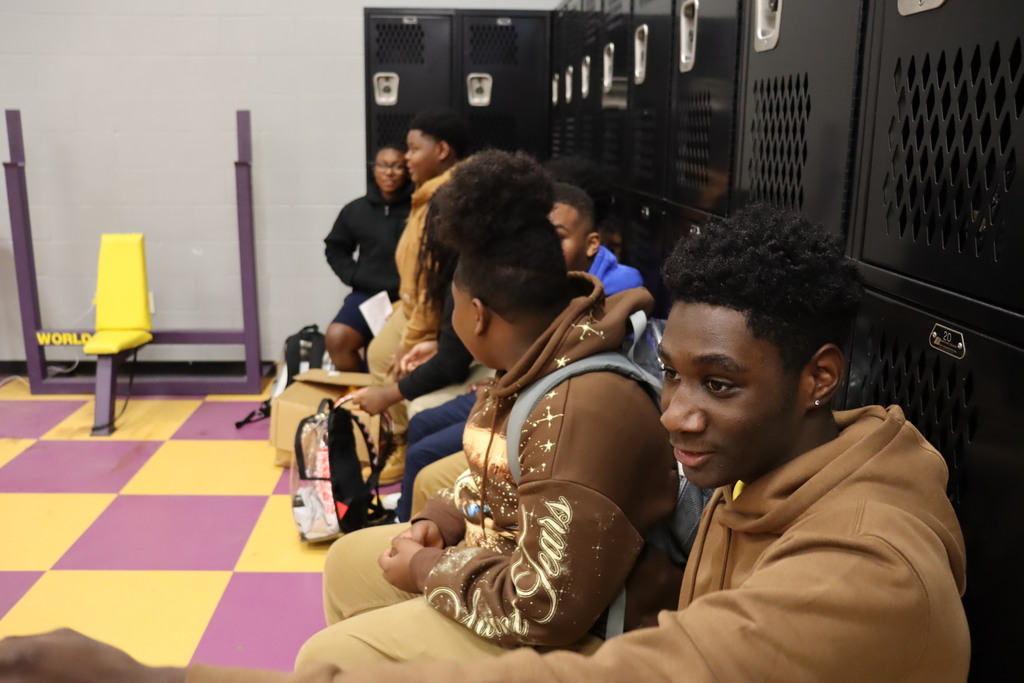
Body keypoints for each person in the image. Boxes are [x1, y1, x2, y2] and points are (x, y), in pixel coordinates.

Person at [0, 205, 971, 682]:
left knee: (338, 657)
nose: (676, 411)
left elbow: (607, 659)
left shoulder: (867, 570)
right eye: (673, 373)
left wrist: (152, 677)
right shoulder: (766, 458)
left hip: (580, 632)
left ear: (820, 375)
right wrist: (446, 542)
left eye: (717, 384)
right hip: (572, 614)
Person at [394, 181, 644, 521]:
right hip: (510, 391)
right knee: (425, 428)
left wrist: (426, 564)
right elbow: (482, 486)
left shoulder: (565, 410)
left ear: (478, 315)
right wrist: (439, 521)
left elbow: (537, 555)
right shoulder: (539, 315)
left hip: (506, 562)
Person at [364, 109, 471, 443]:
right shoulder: (426, 194)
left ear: (441, 151)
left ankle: (400, 440)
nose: (406, 158)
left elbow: (434, 281)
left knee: (394, 364)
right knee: (379, 353)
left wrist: (413, 338)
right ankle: (393, 434)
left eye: (413, 149)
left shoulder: (445, 199)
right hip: (411, 305)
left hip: (430, 313)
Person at [323, 145, 413, 371]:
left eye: (397, 166)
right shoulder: (355, 210)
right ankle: (363, 392)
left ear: (407, 171)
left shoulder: (418, 209)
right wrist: (354, 276)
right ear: (374, 170)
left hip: (408, 296)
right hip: (367, 294)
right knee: (337, 337)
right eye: (383, 165)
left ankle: (386, 397)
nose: (389, 172)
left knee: (388, 352)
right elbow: (335, 248)